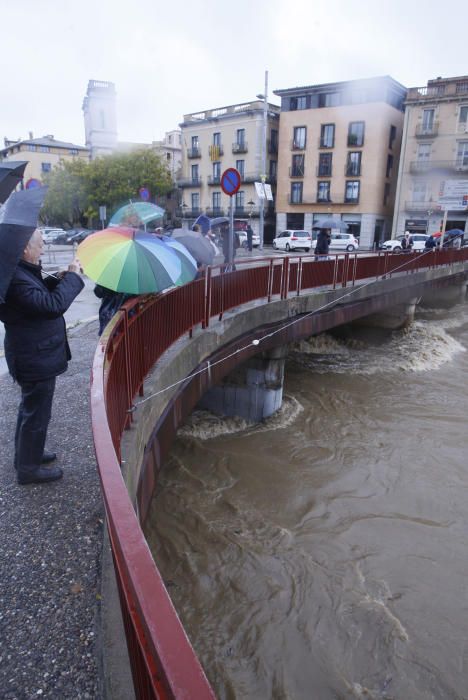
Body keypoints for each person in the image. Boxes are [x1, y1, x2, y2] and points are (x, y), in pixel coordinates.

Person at [1, 228, 84, 485]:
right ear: (25, 248)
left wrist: (57, 278)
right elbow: (51, 306)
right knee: (36, 413)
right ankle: (28, 469)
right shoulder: (15, 278)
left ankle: (26, 455)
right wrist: (72, 277)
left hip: (33, 353)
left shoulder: (18, 271)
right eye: (40, 244)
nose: (44, 249)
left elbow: (37, 294)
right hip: (34, 356)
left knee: (31, 409)